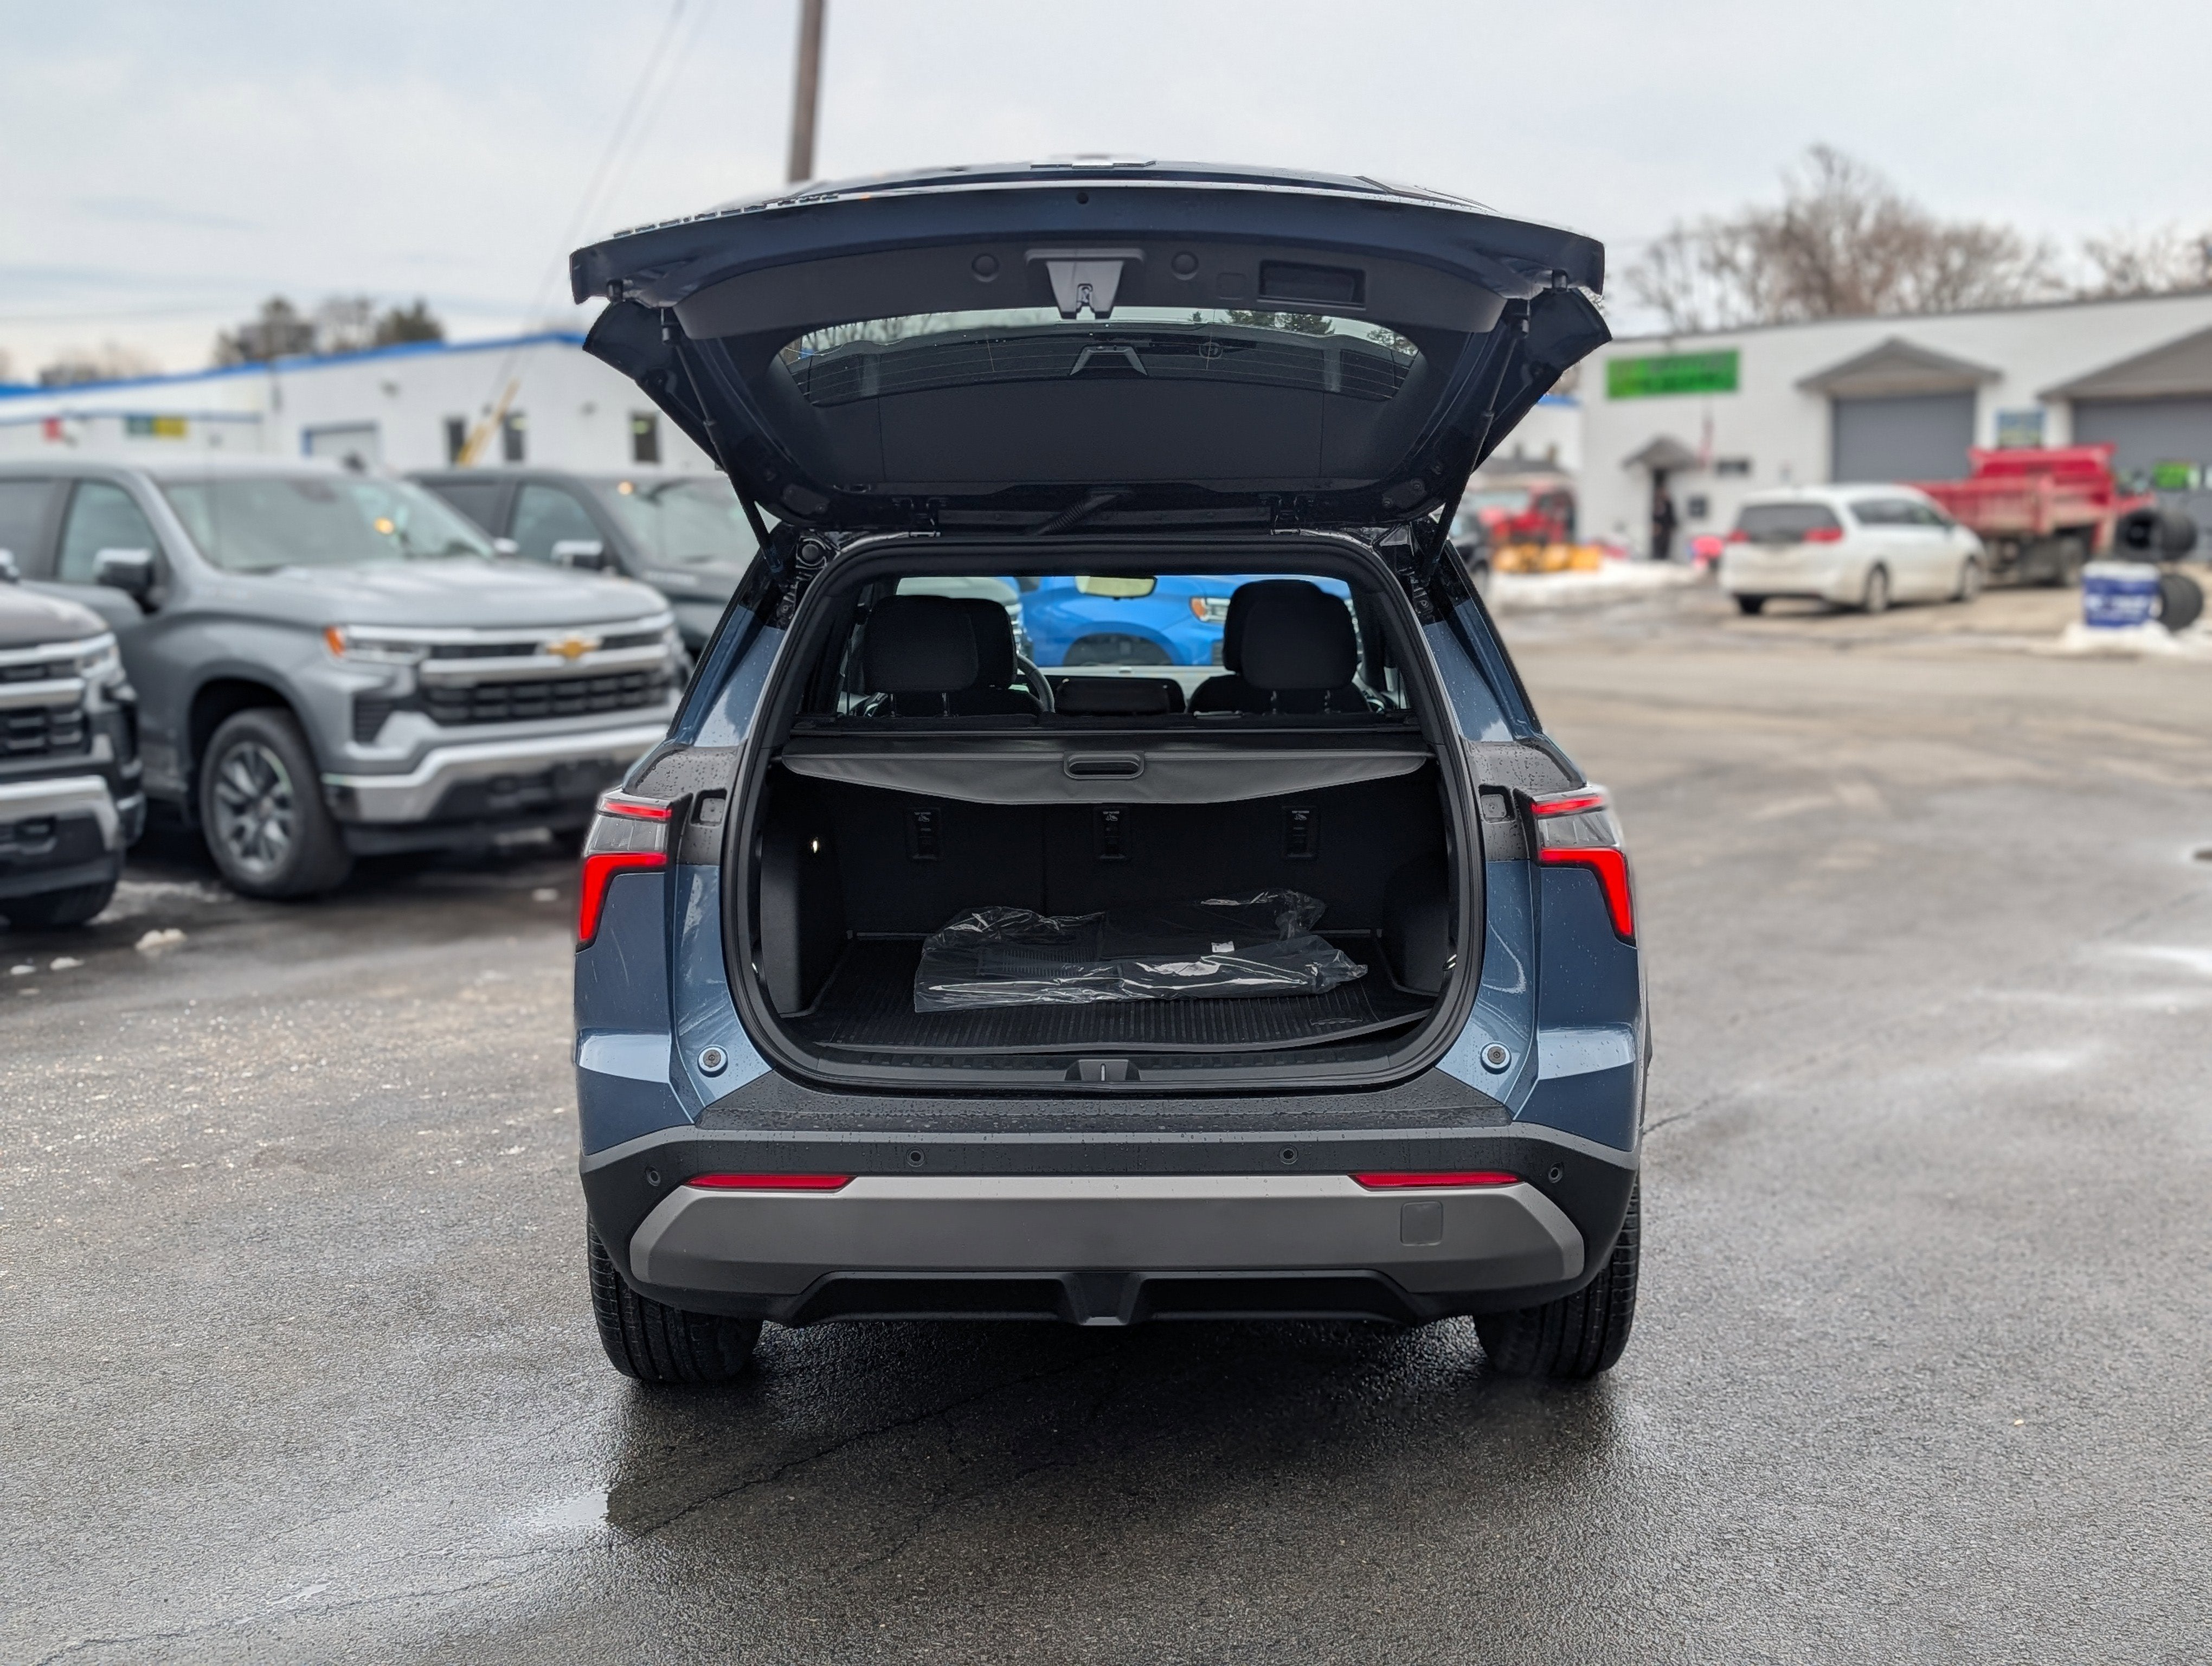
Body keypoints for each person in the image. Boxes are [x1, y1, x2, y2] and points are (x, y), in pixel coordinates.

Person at [1650, 483, 1679, 563]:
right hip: (1658, 525)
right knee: (1658, 541)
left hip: (1666, 526)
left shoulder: (1668, 503)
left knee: (1666, 541)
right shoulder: (1655, 502)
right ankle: (1657, 556)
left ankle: (1664, 557)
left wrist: (1673, 524)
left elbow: (1671, 514)